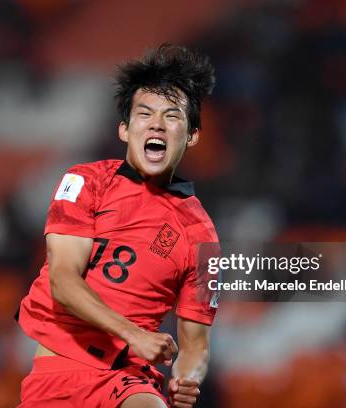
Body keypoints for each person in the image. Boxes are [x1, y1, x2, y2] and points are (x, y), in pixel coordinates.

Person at [16, 43, 219, 408]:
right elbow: (63, 281)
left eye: (172, 116)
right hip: (59, 374)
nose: (157, 123)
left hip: (128, 379)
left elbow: (196, 344)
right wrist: (134, 335)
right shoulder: (84, 183)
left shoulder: (204, 240)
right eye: (145, 114)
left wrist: (186, 380)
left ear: (192, 135)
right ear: (125, 129)